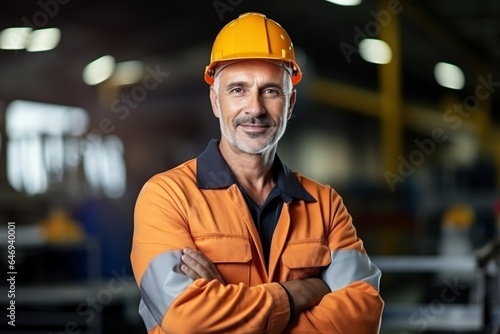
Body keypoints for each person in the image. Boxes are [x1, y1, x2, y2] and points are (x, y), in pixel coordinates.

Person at [131, 12, 384, 334]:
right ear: (215, 101)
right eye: (238, 90)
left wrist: (226, 306)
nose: (255, 108)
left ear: (290, 104)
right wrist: (297, 294)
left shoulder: (325, 204)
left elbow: (362, 316)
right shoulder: (167, 197)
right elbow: (187, 320)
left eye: (270, 91)